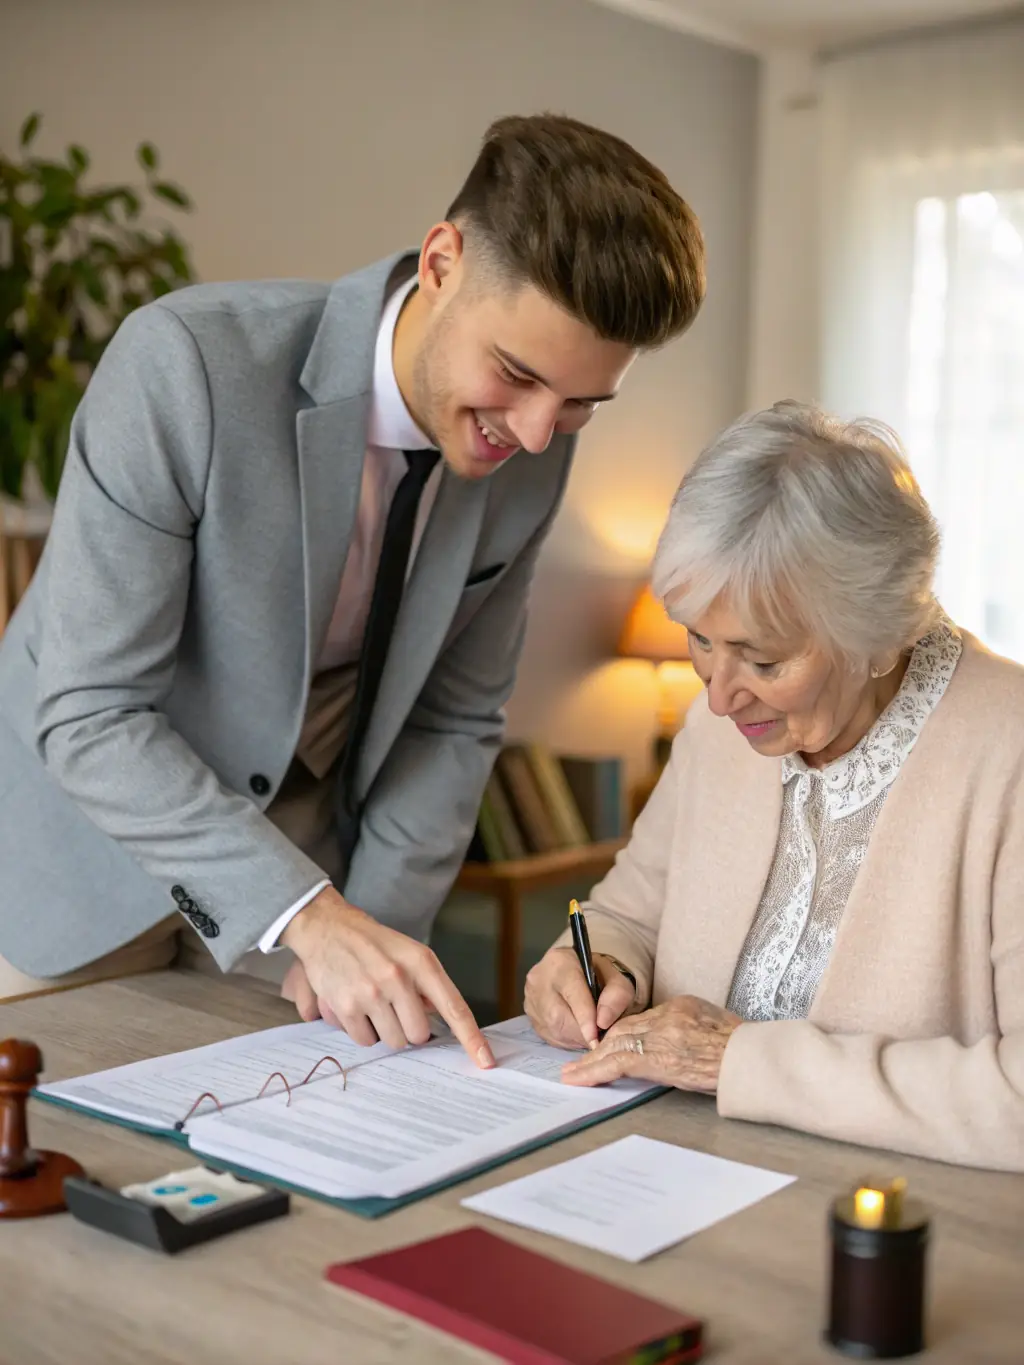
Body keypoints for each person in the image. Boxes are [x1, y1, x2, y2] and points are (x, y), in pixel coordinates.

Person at [0, 114, 706, 1065]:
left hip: (303, 889)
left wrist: (362, 929)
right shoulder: (185, 365)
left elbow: (453, 721)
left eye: (581, 403)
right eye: (517, 374)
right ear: (444, 260)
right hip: (70, 870)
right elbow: (89, 708)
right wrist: (308, 916)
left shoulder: (535, 457)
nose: (539, 433)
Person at [525, 401, 1024, 1171]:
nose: (720, 695)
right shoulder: (718, 726)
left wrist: (737, 1062)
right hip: (664, 1172)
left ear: (879, 633)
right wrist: (593, 967)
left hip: (895, 1221)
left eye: (763, 661)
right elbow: (629, 913)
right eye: (698, 637)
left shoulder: (1008, 750)